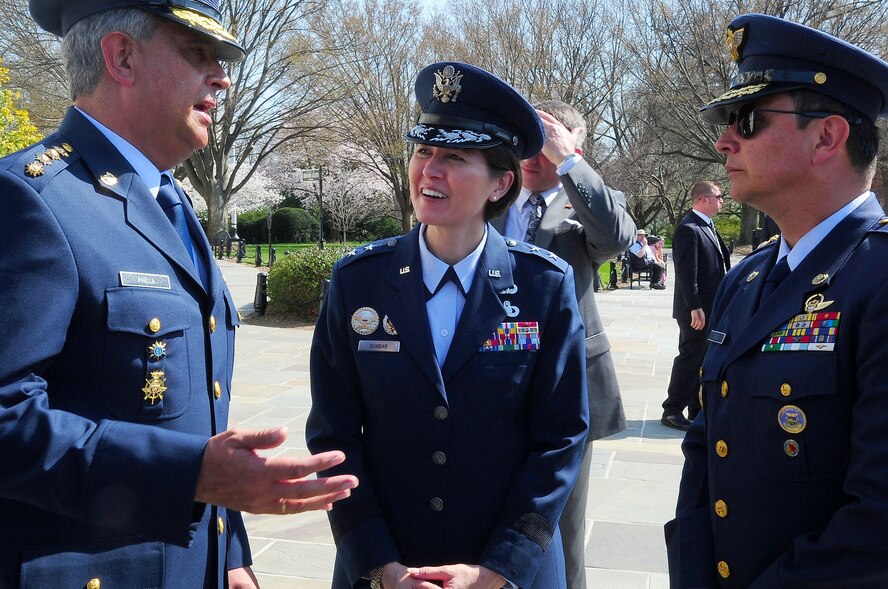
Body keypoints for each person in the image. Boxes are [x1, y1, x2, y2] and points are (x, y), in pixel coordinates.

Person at [0, 2, 357, 588]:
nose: (222, 76)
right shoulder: (29, 201)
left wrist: (230, 550)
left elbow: (194, 415)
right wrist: (192, 476)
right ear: (121, 57)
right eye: (198, 55)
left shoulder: (168, 203)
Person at [307, 62, 589, 589]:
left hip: (506, 572)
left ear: (501, 182)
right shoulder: (357, 282)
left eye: (455, 157)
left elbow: (560, 439)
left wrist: (499, 569)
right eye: (423, 151)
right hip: (386, 568)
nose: (429, 170)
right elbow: (334, 436)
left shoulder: (543, 285)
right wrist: (381, 567)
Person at [666, 13, 888, 588]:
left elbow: (877, 524)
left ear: (826, 138)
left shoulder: (879, 279)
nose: (723, 140)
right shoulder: (747, 280)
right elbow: (704, 452)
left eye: (748, 119)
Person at [492, 98, 634, 589]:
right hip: (491, 376)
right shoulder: (493, 198)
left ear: (575, 143)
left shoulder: (592, 200)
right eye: (527, 142)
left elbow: (615, 240)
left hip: (564, 382)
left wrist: (569, 161)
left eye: (545, 143)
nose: (534, 155)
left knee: (560, 524)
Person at [660, 182, 731, 431]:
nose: (722, 201)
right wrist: (695, 306)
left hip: (711, 305)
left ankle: (696, 406)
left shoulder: (706, 226)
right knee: (691, 357)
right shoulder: (689, 229)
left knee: (703, 358)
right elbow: (686, 274)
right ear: (704, 199)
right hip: (697, 309)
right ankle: (672, 409)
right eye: (718, 197)